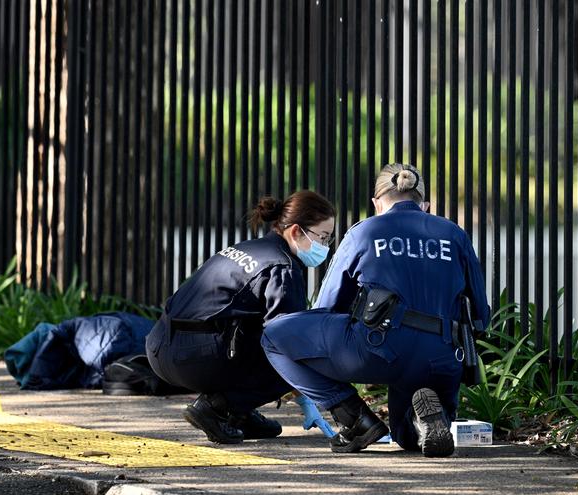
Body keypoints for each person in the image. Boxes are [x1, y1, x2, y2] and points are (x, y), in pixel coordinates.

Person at [261, 164, 490, 456]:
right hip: (442, 357)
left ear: (376, 203)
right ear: (424, 203)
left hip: (381, 349)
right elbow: (481, 314)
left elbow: (328, 307)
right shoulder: (454, 234)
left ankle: (355, 419)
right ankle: (428, 417)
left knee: (272, 337)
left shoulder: (365, 231)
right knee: (407, 437)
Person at [145, 190, 336, 444]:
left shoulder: (248, 248)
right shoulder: (282, 267)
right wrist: (310, 394)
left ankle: (239, 414)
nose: (325, 246)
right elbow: (290, 341)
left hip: (161, 346)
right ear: (295, 232)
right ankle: (216, 408)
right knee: (287, 356)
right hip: (191, 357)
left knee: (265, 335)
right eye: (322, 237)